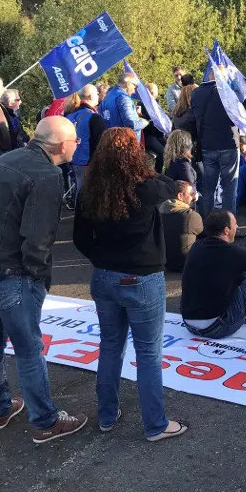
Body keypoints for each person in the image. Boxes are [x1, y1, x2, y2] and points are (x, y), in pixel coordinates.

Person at [0, 116, 88, 442]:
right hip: (8, 274)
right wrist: (39, 277)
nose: (79, 144)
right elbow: (38, 238)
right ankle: (45, 421)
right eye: (75, 139)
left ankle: (0, 408)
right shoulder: (46, 174)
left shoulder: (6, 159)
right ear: (60, 146)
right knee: (29, 348)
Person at [72, 127, 187, 441]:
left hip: (104, 277)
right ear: (135, 154)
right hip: (142, 279)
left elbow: (80, 239)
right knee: (148, 353)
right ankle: (155, 424)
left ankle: (107, 415)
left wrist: (101, 258)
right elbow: (169, 183)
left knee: (110, 347)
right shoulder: (147, 187)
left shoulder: (89, 191)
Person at [180, 210, 246, 339]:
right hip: (217, 326)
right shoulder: (233, 253)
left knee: (242, 274)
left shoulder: (196, 247)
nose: (237, 227)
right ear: (226, 230)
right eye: (235, 224)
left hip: (189, 323)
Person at [191, 72, 241, 216]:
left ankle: (206, 226)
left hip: (207, 144)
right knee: (229, 188)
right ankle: (227, 225)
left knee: (208, 188)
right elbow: (240, 107)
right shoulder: (228, 92)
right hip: (229, 143)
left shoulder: (196, 93)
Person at [64, 83, 106, 191]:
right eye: (97, 93)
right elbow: (101, 143)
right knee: (88, 193)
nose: (98, 95)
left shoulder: (70, 114)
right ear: (91, 96)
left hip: (72, 159)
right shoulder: (94, 117)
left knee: (79, 189)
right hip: (88, 162)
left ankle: (77, 206)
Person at [160, 181, 204, 272]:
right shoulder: (190, 215)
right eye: (192, 194)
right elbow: (206, 234)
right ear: (180, 196)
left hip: (163, 262)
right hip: (184, 264)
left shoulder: (158, 211)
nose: (194, 197)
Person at [100, 73, 149, 139]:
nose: (134, 91)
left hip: (110, 139)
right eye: (135, 86)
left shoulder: (107, 96)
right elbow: (131, 125)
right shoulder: (123, 98)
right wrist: (144, 122)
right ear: (128, 83)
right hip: (125, 141)